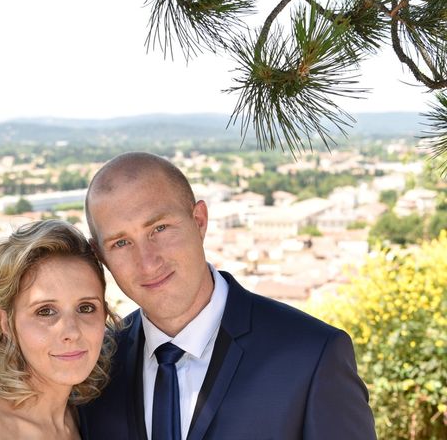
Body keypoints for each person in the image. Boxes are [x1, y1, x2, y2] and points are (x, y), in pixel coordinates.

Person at [78, 152, 376, 440]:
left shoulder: (312, 356)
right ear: (99, 255)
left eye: (160, 228)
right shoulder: (92, 367)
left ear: (199, 221)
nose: (147, 262)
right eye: (120, 243)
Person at [0, 219, 119, 440]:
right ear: (6, 323)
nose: (72, 332)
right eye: (45, 311)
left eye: (86, 308)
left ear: (104, 313)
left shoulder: (79, 414)